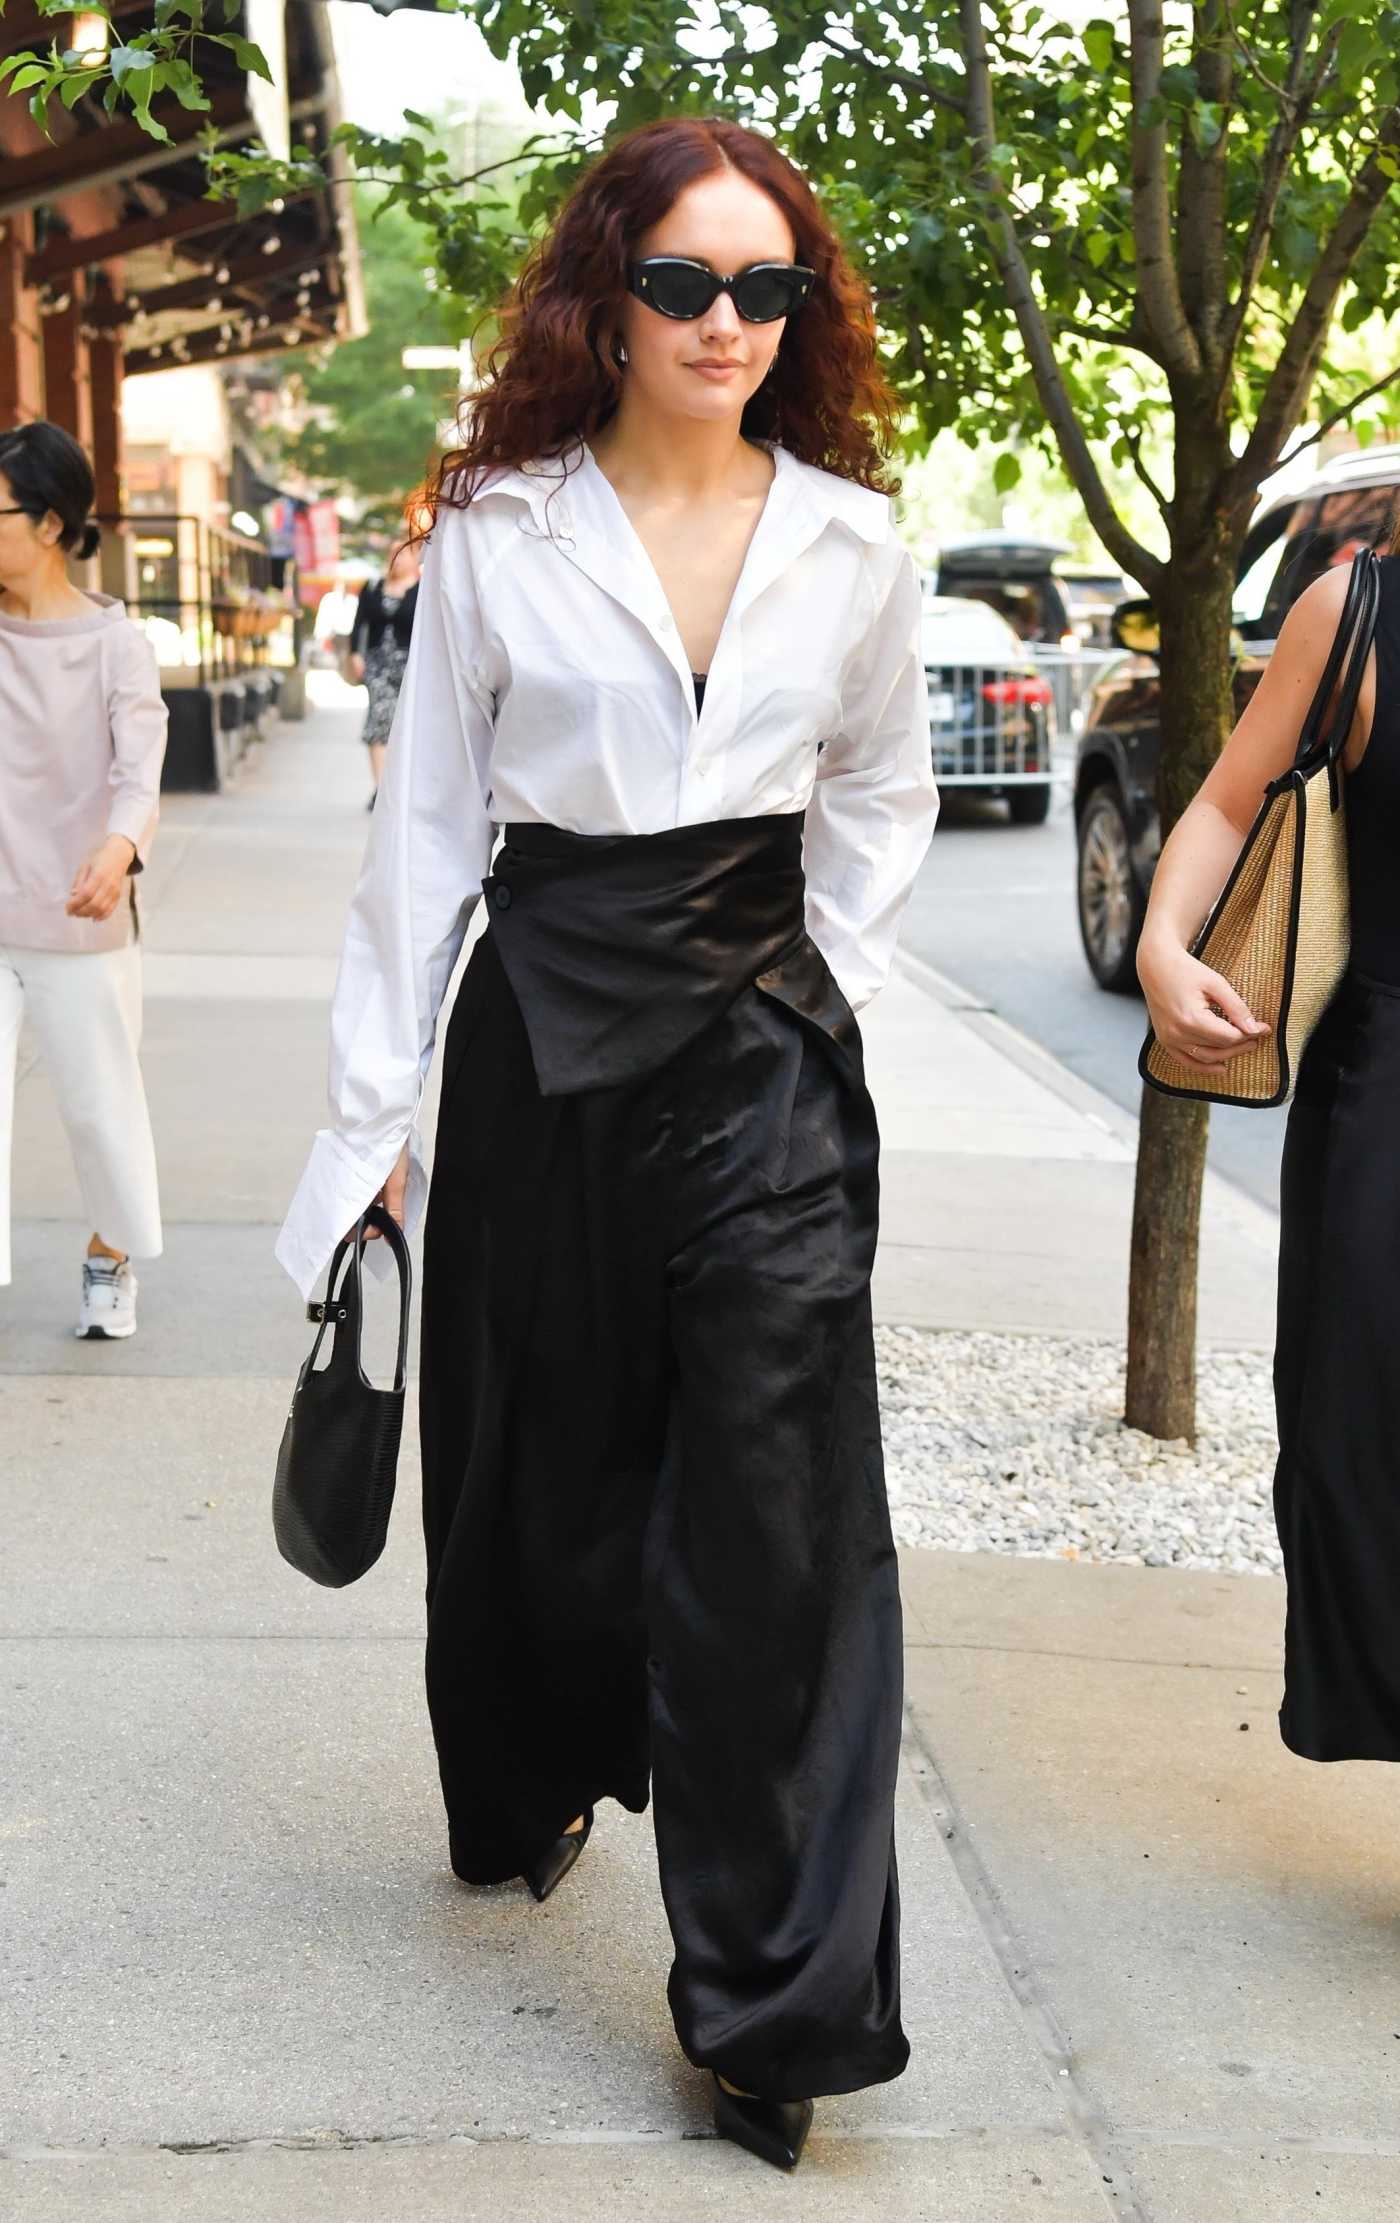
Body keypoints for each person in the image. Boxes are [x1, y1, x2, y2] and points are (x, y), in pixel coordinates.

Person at [276, 115, 938, 2171]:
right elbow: (419, 852)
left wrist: (789, 980)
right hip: (540, 1051)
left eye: (767, 285)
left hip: (761, 1069)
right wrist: (367, 1134)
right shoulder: (497, 535)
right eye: (685, 281)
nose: (727, 320)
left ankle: (774, 2003)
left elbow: (882, 799)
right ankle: (537, 1763)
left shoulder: (857, 541)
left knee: (779, 1526)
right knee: (538, 1480)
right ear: (608, 294)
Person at [1136, 523, 1400, 1768]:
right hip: (1379, 1099)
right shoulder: (1350, 612)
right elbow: (1225, 803)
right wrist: (1159, 946)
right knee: (1361, 1452)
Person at [0, 419, 167, 1340]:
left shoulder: (114, 644)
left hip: (80, 909)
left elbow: (140, 771)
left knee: (101, 1106)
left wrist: (119, 846)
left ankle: (110, 1256)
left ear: (51, 524)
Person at [348, 541, 421, 802]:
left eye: (404, 554)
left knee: (409, 724)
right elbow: (359, 624)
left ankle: (403, 787)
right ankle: (380, 789)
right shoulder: (372, 587)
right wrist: (356, 654)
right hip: (377, 663)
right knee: (379, 719)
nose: (398, 560)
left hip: (411, 666)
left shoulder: (422, 589)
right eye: (394, 554)